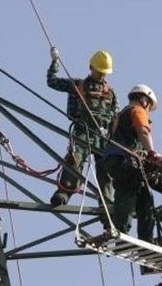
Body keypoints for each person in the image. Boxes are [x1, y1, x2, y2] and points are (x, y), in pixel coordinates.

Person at [47, 48, 119, 207]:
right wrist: (55, 63)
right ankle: (63, 193)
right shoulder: (77, 85)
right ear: (91, 68)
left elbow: (116, 117)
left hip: (103, 136)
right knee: (75, 160)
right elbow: (52, 81)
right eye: (100, 71)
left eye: (104, 72)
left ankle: (107, 206)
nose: (102, 75)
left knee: (106, 171)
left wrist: (113, 136)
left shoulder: (111, 94)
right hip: (83, 131)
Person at [103, 84, 162, 242]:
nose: (148, 109)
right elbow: (143, 131)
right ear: (144, 100)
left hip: (115, 160)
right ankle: (121, 232)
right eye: (149, 105)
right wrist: (152, 153)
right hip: (124, 160)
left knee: (145, 197)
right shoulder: (137, 110)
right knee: (127, 191)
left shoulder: (119, 114)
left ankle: (146, 239)